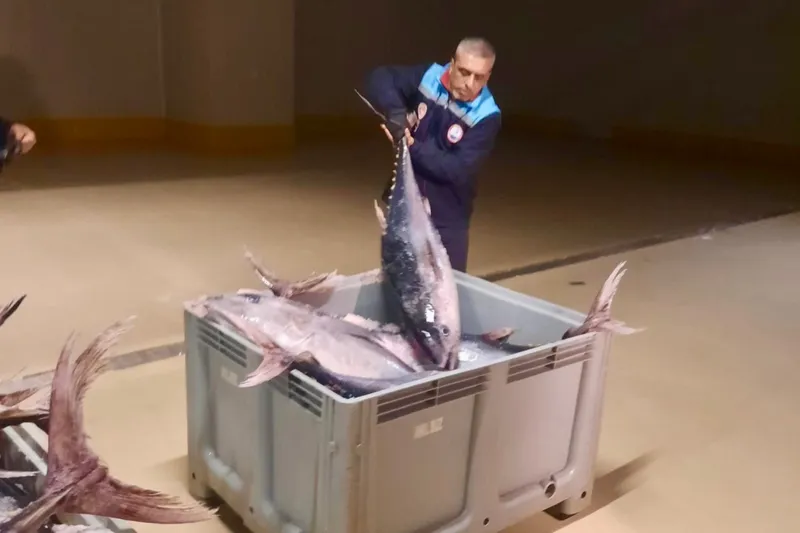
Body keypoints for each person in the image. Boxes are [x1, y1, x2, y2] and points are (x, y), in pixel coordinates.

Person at [364, 37, 501, 272]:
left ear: (488, 76)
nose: (469, 83)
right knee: (397, 281)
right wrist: (396, 113)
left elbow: (456, 170)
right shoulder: (429, 77)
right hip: (404, 206)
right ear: (452, 64)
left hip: (447, 221)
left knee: (444, 289)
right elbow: (380, 77)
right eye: (464, 72)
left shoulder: (487, 115)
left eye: (479, 77)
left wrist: (411, 145)